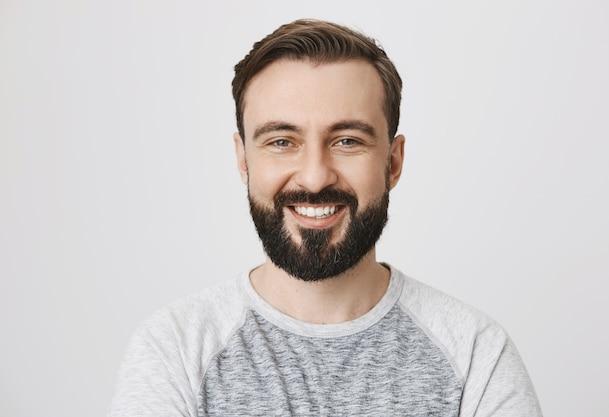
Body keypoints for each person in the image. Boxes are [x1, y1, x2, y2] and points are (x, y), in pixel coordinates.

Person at [109, 19, 542, 416]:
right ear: (244, 160)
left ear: (392, 162)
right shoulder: (175, 350)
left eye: (347, 140)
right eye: (282, 141)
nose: (315, 177)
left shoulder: (475, 356)